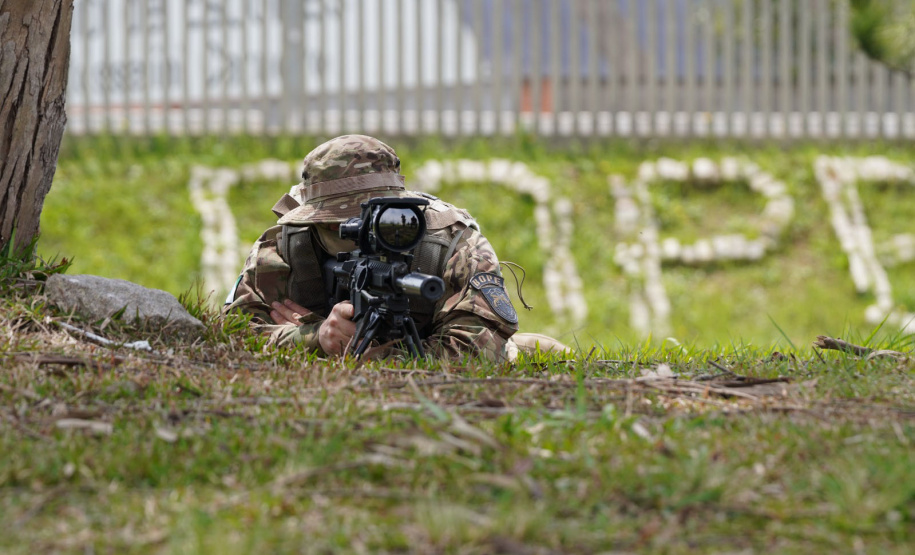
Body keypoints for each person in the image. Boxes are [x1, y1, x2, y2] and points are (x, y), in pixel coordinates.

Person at [224, 135, 569, 361]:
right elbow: (234, 332)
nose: (361, 235)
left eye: (376, 219)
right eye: (341, 224)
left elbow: (482, 343)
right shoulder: (287, 245)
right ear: (315, 220)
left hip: (429, 372)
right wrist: (313, 337)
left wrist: (377, 357)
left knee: (541, 353)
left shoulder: (451, 241)